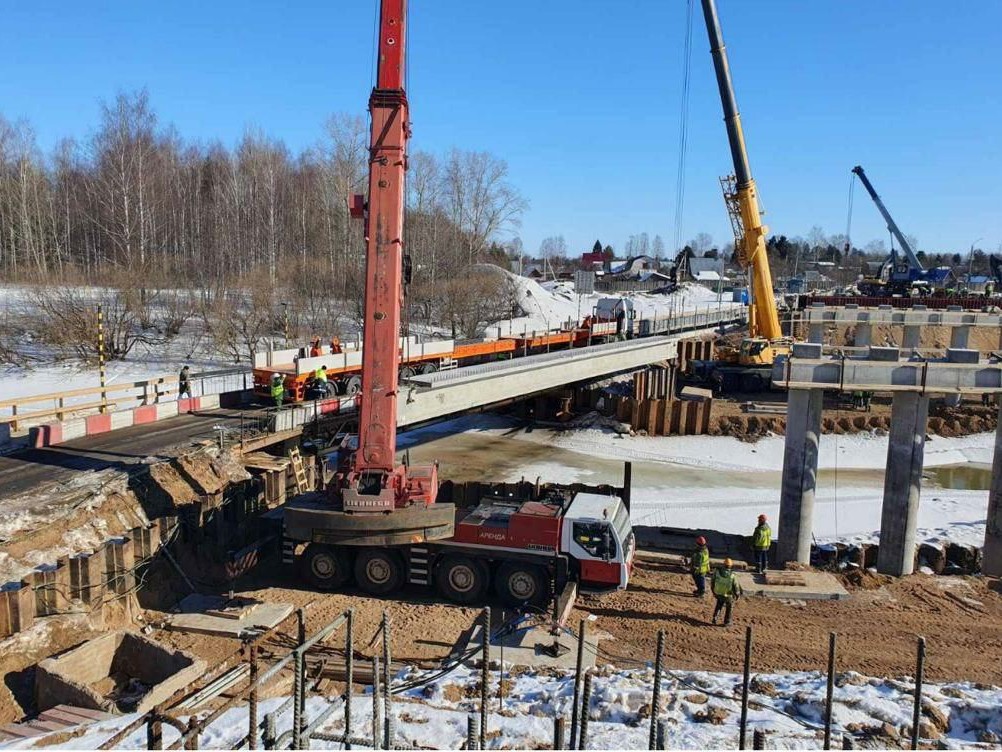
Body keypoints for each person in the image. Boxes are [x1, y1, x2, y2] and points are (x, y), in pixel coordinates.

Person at [711, 558, 741, 626]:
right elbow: (736, 586)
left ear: (723, 564)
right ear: (730, 566)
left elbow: (713, 581)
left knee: (719, 604)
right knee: (729, 607)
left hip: (718, 592)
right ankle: (727, 621)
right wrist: (737, 595)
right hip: (728, 595)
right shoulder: (732, 575)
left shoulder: (717, 571)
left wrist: (713, 590)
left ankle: (715, 617)